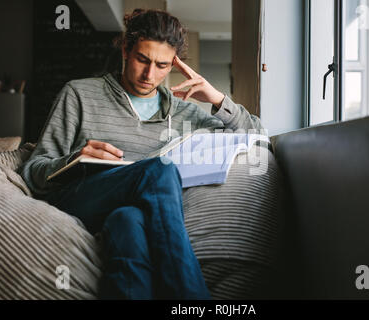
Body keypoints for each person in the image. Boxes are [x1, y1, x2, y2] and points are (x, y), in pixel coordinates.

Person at [20, 8, 263, 300]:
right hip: (80, 197)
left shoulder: (182, 111)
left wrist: (217, 98)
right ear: (125, 48)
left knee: (129, 222)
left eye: (162, 65)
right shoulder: (79, 94)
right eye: (142, 60)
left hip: (124, 212)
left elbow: (257, 135)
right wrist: (73, 159)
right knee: (158, 170)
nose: (150, 74)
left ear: (173, 64)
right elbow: (34, 172)